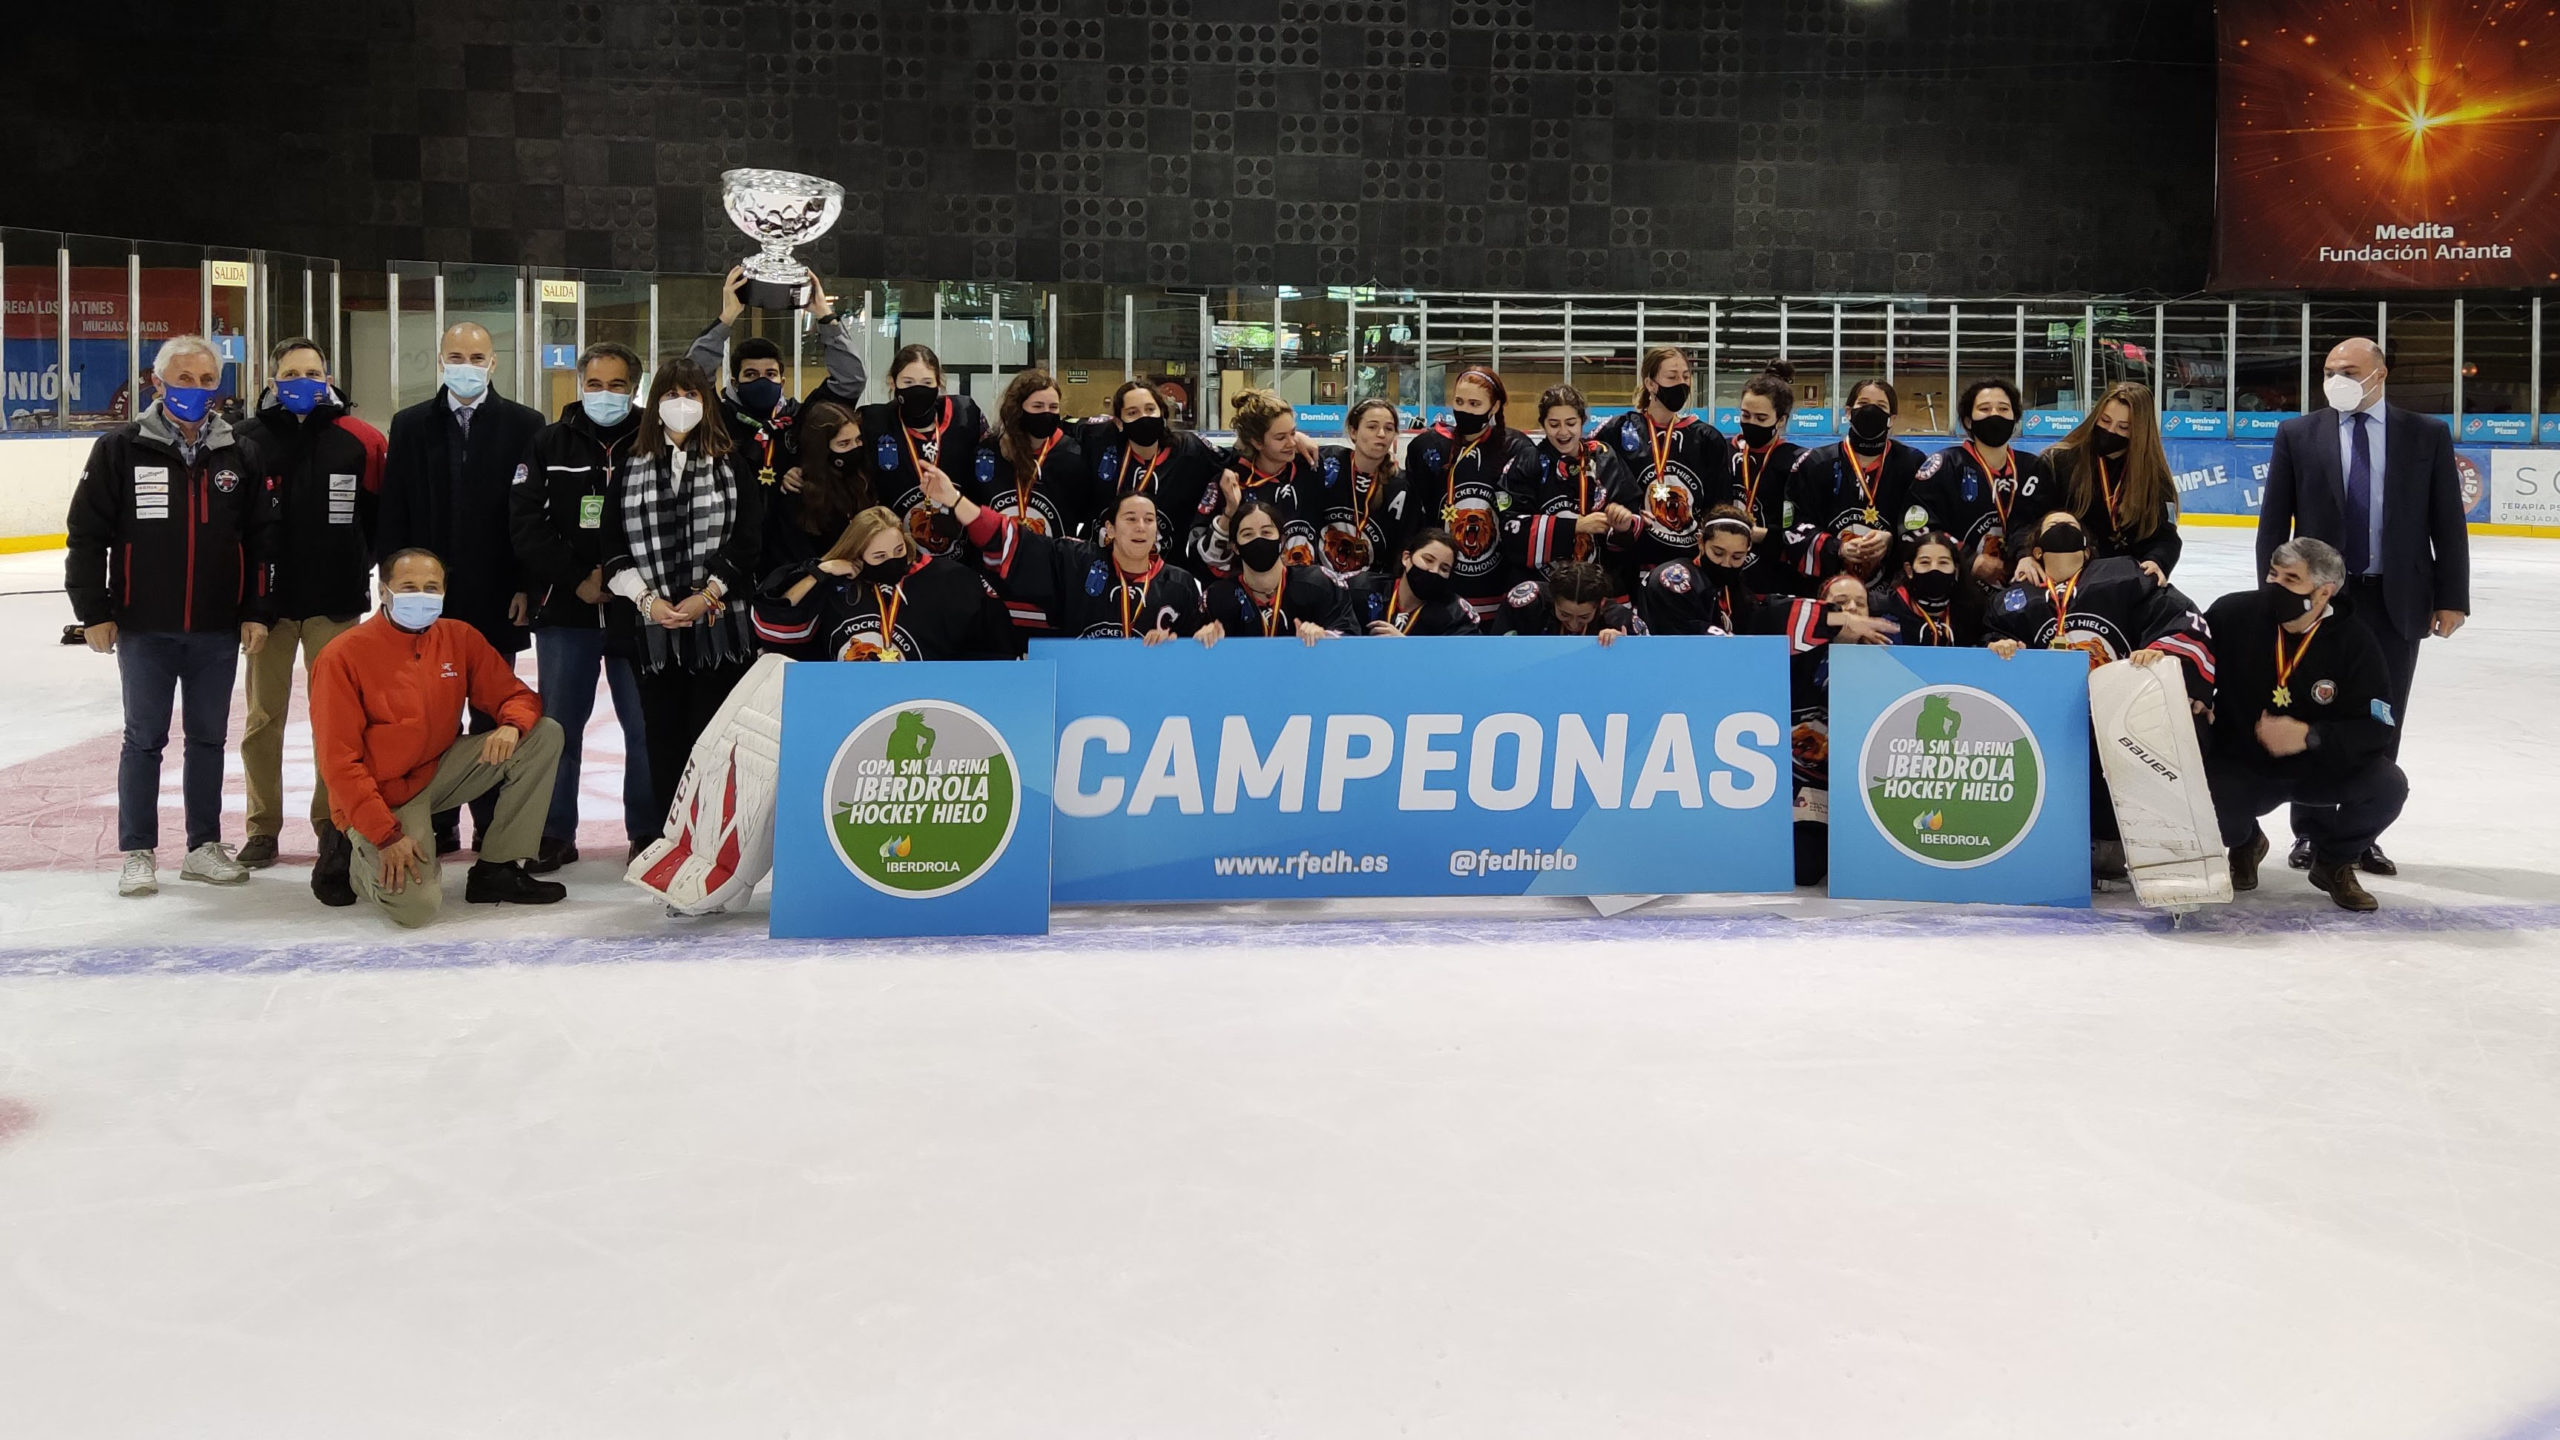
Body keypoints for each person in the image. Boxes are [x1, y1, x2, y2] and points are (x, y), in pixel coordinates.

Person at [65, 334, 277, 898]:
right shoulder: (120, 448)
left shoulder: (240, 452)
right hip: (143, 627)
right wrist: (94, 612)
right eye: (184, 380)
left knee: (208, 740)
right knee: (144, 740)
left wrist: (255, 610)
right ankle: (139, 851)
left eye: (207, 381)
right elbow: (87, 536)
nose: (197, 391)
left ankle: (203, 846)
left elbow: (261, 540)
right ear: (157, 383)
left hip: (214, 628)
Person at [2256, 336, 2469, 876]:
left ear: (2379, 374)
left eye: (2347, 370)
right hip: (2319, 604)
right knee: (2312, 707)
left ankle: (2360, 833)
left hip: (2397, 602)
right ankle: (2309, 831)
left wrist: (2452, 597)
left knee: (2381, 717)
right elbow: (2273, 523)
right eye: (2329, 370)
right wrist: (2275, 596)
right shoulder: (2298, 433)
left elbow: (2448, 522)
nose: (2336, 380)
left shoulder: (2426, 435)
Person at [309, 547, 567, 926]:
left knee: (543, 734)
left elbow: (516, 695)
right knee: (415, 908)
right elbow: (339, 762)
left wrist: (512, 724)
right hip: (380, 794)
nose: (422, 596)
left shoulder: (458, 637)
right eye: (409, 587)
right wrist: (385, 836)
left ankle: (497, 869)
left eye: (432, 588)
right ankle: (350, 857)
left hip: (438, 770)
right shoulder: (342, 657)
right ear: (383, 591)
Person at [377, 320, 546, 855]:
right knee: (431, 716)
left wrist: (527, 584)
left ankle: (492, 823)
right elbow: (394, 510)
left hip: (499, 594)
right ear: (441, 361)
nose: (466, 366)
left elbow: (530, 515)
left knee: (494, 714)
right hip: (425, 602)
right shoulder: (409, 425)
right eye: (456, 356)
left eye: (476, 358)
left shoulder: (525, 424)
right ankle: (439, 820)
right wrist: (393, 586)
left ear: (493, 364)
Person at [231, 337, 385, 897]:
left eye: (312, 371)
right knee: (263, 719)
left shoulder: (360, 441)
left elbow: (377, 521)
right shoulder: (247, 441)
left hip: (335, 605)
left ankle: (332, 824)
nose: (302, 380)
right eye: (291, 372)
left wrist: (352, 570)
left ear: (328, 377)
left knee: (337, 724)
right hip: (268, 610)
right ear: (272, 381)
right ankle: (262, 828)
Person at [1986, 509, 2216, 879]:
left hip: (2116, 719)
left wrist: (2162, 650)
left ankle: (2126, 837)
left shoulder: (2124, 575)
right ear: (2037, 551)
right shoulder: (2014, 599)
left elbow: (2185, 618)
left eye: (2072, 527)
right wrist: (1998, 647)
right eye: (2053, 527)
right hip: (2051, 725)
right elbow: (1985, 643)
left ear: (2088, 549)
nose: (2063, 529)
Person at [603, 358, 766, 843]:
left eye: (691, 395)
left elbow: (749, 541)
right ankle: (671, 843)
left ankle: (714, 841)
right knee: (663, 740)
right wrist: (646, 601)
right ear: (654, 405)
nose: (681, 404)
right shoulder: (629, 466)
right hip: (653, 632)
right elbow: (611, 547)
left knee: (715, 741)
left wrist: (707, 595)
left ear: (706, 403)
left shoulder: (732, 461)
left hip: (718, 627)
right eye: (671, 394)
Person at [510, 340, 656, 873]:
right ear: (579, 384)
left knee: (642, 727)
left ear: (635, 389)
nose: (604, 394)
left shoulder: (655, 440)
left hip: (636, 611)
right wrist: (576, 579)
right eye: (595, 384)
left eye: (617, 386)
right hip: (567, 611)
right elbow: (526, 522)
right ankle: (553, 832)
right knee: (558, 727)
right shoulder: (549, 442)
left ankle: (648, 830)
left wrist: (623, 579)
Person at [2202, 537, 2408, 913]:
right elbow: (2189, 652)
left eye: (2291, 579)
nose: (2276, 587)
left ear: (2324, 592)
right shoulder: (2232, 614)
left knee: (2387, 787)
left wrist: (2310, 736)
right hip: (2243, 761)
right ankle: (2246, 841)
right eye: (2272, 574)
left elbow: (2377, 727)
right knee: (2200, 797)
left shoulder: (2356, 642)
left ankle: (2334, 862)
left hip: (2318, 766)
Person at [930, 466, 1208, 641]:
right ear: (1109, 529)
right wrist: (955, 501)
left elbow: (1196, 651)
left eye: (1149, 520)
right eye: (1131, 518)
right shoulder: (1075, 561)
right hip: (1079, 697)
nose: (1141, 527)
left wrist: (1190, 644)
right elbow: (1009, 539)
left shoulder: (1180, 583)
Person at [683, 266, 869, 502]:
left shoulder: (802, 419)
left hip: (791, 530)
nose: (762, 380)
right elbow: (691, 378)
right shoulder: (720, 419)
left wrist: (823, 312)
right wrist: (728, 315)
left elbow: (850, 380)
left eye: (770, 374)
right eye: (750, 374)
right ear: (734, 382)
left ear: (782, 381)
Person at [752, 504, 1015, 661]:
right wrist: (822, 571)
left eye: (898, 551)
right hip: (846, 705)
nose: (892, 561)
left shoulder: (949, 580)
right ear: (857, 553)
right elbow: (776, 624)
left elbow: (995, 645)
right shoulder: (833, 584)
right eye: (879, 556)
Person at [1401, 368, 1537, 622]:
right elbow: (1414, 516)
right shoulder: (1427, 446)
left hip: (1497, 589)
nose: (1465, 410)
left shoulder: (1516, 448)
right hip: (1442, 590)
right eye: (1459, 402)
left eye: (1475, 404)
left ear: (1494, 406)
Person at [1590, 346, 1734, 583]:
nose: (1682, 383)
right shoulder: (1618, 430)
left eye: (1686, 376)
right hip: (1628, 562)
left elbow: (1718, 505)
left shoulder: (1707, 439)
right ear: (1651, 383)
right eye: (1672, 377)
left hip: (1685, 563)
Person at [1911, 378, 2056, 588]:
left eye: (2003, 408)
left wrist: (2026, 554)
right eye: (1984, 408)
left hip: (2021, 583)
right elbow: (1918, 525)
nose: (1994, 415)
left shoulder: (2033, 468)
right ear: (1969, 420)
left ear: (2015, 418)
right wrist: (1968, 558)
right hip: (1959, 587)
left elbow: (2043, 522)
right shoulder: (1945, 465)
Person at [1503, 383, 1642, 599]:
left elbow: (1633, 515)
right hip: (1545, 591)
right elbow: (1512, 529)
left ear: (1583, 422)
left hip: (1602, 589)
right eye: (1554, 424)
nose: (1563, 432)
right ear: (1542, 424)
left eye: (1570, 423)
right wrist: (1577, 526)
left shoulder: (1604, 457)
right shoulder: (1526, 463)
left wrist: (1623, 526)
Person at [1786, 378, 1927, 590]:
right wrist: (1837, 549)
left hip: (1891, 593)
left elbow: (1925, 523)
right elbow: (1794, 525)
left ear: (1892, 418)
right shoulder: (1816, 463)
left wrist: (1891, 539)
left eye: (1881, 406)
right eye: (1863, 404)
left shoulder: (1912, 463)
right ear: (1848, 412)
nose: (1871, 411)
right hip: (1827, 592)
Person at [858, 345, 991, 561]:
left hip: (962, 552)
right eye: (908, 382)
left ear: (939, 382)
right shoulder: (872, 421)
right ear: (893, 383)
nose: (917, 390)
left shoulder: (967, 415)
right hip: (898, 554)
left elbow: (996, 454)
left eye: (927, 383)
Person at [2040, 381, 2182, 581]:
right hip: (2069, 578)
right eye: (2105, 421)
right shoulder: (2059, 462)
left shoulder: (2154, 478)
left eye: (2123, 427)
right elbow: (2034, 523)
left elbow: (2166, 537)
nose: (2110, 431)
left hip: (2125, 580)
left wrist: (2157, 561)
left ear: (2140, 433)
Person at [1076, 378, 1225, 550]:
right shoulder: (1099, 440)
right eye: (1132, 413)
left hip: (1164, 569)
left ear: (1162, 412)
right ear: (1118, 422)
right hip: (1103, 562)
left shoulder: (1190, 450)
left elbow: (1234, 463)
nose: (1144, 417)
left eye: (1150, 409)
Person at [1194, 390, 1320, 577]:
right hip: (1252, 591)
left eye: (1293, 433)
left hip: (1303, 588)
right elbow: (1208, 558)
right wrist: (1229, 513)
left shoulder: (1308, 466)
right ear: (1257, 442)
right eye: (1280, 437)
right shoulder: (1231, 482)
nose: (1292, 443)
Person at [1194, 497, 1353, 645]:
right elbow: (1189, 654)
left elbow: (1351, 636)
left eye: (1266, 532)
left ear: (1282, 540)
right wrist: (1202, 640)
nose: (1258, 539)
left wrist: (1325, 638)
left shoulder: (1320, 583)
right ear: (1235, 547)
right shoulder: (1216, 597)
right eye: (1247, 534)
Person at [761, 399, 871, 573]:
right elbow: (793, 559)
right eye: (843, 444)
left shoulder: (863, 479)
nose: (854, 448)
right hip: (817, 584)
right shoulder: (798, 491)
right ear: (822, 448)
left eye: (857, 440)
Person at [1309, 397, 1409, 586]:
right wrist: (1297, 438)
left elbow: (1402, 548)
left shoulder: (1401, 486)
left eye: (1388, 429)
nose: (1381, 434)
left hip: (1367, 590)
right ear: (1353, 432)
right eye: (1372, 427)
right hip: (1320, 587)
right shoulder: (1328, 462)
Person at [1728, 361, 1806, 594]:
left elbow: (1801, 529)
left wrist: (1763, 535)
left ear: (1780, 420)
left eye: (1761, 418)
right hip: (1726, 567)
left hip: (1773, 575)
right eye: (1745, 415)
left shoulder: (1797, 461)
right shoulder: (1723, 452)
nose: (1751, 423)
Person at [987, 369, 1090, 544]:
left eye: (1053, 407)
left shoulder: (1072, 454)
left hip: (1053, 562)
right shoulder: (990, 451)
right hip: (998, 560)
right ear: (1017, 409)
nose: (1046, 413)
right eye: (1037, 406)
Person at [1347, 528, 1481, 636]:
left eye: (1444, 569)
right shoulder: (1360, 588)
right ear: (1406, 558)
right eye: (1428, 560)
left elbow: (1464, 661)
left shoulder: (1456, 614)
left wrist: (1409, 649)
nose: (1434, 571)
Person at [1871, 530, 1988, 648]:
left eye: (1943, 562)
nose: (1934, 569)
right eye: (1925, 562)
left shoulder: (1973, 610)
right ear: (1909, 570)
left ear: (1956, 570)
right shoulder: (1883, 605)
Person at [1497, 560, 1634, 641]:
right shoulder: (1527, 605)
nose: (1573, 625)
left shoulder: (1618, 620)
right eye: (1564, 614)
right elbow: (1496, 650)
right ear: (1553, 598)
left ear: (1600, 604)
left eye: (1584, 617)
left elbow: (1645, 663)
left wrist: (1622, 647)